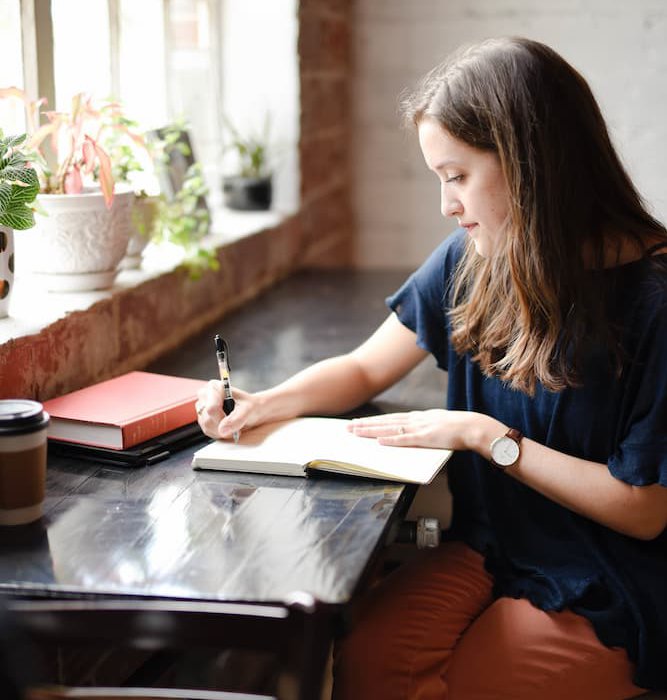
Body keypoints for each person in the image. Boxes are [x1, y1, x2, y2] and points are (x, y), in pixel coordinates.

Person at [197, 36, 667, 699]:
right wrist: (268, 402)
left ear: (531, 163)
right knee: (367, 660)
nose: (446, 205)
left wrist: (485, 436)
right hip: (491, 544)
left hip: (615, 572)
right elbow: (364, 368)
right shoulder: (472, 258)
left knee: (478, 684)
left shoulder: (653, 301)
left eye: (456, 176)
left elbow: (644, 511)